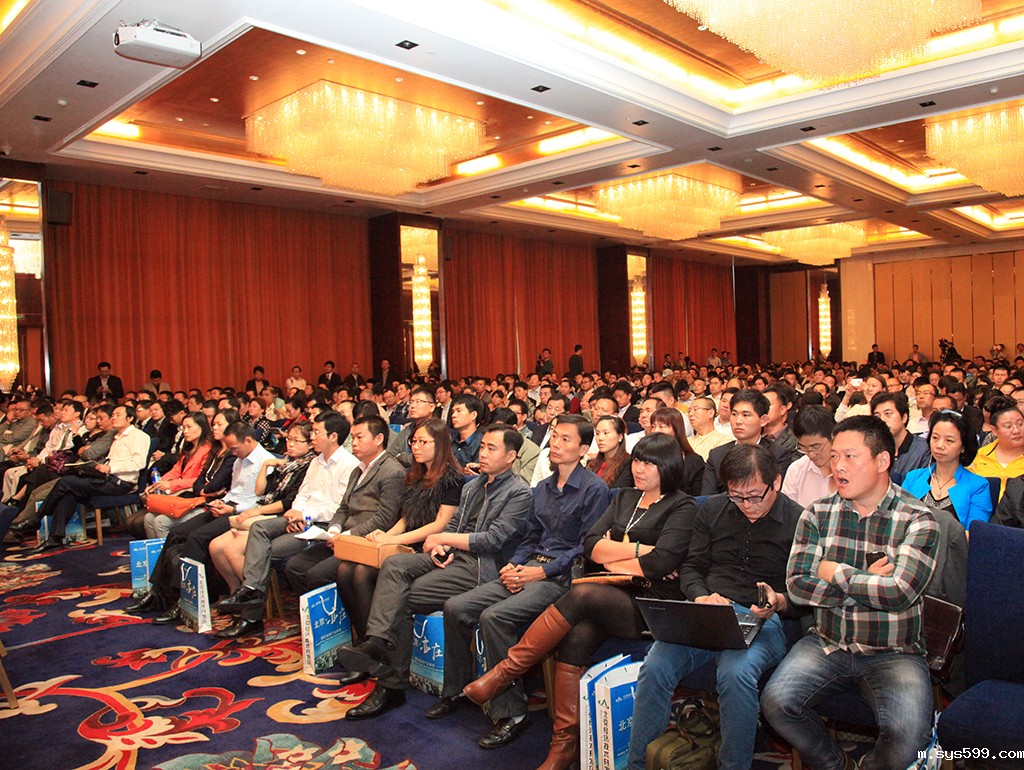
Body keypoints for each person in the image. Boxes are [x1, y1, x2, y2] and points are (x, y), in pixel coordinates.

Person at [463, 433, 697, 770]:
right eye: (637, 461)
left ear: (669, 467)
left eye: (649, 463)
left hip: (652, 602)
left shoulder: (682, 505)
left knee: (581, 593)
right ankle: (564, 745)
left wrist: (613, 555)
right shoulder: (625, 497)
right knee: (575, 637)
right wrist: (636, 553)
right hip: (610, 593)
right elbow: (590, 545)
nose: (639, 468)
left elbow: (662, 563)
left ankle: (506, 671)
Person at [761, 415, 939, 770]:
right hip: (828, 641)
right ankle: (836, 764)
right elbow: (797, 586)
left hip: (894, 650)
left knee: (909, 735)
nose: (837, 466)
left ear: (882, 460)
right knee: (776, 703)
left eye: (850, 457)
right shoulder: (817, 513)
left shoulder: (918, 518)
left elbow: (899, 593)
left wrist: (836, 572)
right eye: (834, 456)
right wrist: (865, 580)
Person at [334, 424, 533, 720]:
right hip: (453, 555)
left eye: (492, 448)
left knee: (401, 598)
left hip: (481, 566)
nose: (483, 453)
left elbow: (493, 539)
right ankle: (376, 642)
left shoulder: (519, 492)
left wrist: (444, 539)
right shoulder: (473, 485)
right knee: (394, 565)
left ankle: (391, 682)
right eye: (482, 447)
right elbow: (454, 524)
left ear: (511, 456)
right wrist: (442, 545)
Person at [434, 415, 607, 749]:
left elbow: (586, 547)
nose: (556, 444)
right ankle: (456, 690)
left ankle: (513, 713)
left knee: (494, 617)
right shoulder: (542, 488)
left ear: (584, 449)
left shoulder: (594, 489)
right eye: (555, 436)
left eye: (566, 439)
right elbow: (530, 536)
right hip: (528, 567)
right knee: (456, 606)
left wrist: (541, 571)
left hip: (562, 577)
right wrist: (514, 564)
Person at [625, 444, 802, 770]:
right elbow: (692, 567)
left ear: (776, 482)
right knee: (655, 667)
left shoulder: (799, 519)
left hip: (763, 620)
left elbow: (805, 592)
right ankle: (637, 765)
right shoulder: (713, 509)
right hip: (708, 611)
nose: (746, 505)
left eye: (754, 497)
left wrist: (779, 601)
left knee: (736, 673)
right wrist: (701, 596)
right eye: (737, 497)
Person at [335, 417, 465, 643]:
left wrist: (395, 540)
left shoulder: (452, 479)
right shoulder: (416, 475)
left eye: (423, 442)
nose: (416, 447)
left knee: (362, 573)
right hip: (406, 542)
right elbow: (407, 517)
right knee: (345, 570)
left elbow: (440, 524)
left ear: (440, 444)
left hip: (429, 547)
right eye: (414, 442)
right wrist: (387, 536)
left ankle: (376, 642)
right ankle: (365, 639)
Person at [207, 420, 316, 638]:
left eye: (297, 441)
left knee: (232, 550)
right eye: (288, 439)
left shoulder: (308, 465)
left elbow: (288, 502)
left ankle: (251, 606)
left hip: (280, 515)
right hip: (267, 513)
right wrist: (266, 466)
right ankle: (237, 596)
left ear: (310, 443)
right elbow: (260, 492)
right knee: (216, 546)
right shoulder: (286, 462)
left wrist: (256, 512)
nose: (290, 444)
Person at [31, 404, 149, 554]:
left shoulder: (139, 436)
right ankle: (55, 538)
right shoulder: (117, 436)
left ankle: (38, 517)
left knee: (67, 482)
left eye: (118, 415)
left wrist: (110, 468)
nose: (113, 417)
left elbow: (139, 463)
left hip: (120, 484)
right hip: (106, 478)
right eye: (113, 414)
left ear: (130, 418)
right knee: (69, 490)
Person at [902, 409, 992, 529]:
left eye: (949, 440)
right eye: (935, 438)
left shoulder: (978, 486)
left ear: (963, 446)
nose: (939, 445)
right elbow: (899, 520)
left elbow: (974, 532)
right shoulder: (913, 477)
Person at [141, 411, 215, 538]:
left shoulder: (208, 449)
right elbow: (176, 470)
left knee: (160, 522)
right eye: (184, 427)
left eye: (189, 427)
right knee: (148, 518)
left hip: (195, 498)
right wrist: (159, 483)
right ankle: (157, 551)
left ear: (201, 427)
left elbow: (199, 480)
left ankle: (168, 551)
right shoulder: (188, 448)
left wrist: (171, 484)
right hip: (181, 496)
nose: (185, 431)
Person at [968, 395, 1024, 499]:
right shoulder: (982, 454)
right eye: (1008, 426)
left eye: (1020, 424)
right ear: (994, 430)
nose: (1016, 430)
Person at [869, 391, 931, 485]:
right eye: (877, 416)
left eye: (888, 413)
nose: (882, 420)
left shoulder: (923, 449)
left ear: (904, 417)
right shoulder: (872, 449)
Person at [782, 405, 837, 508]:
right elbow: (788, 512)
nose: (811, 454)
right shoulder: (796, 470)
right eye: (803, 447)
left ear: (833, 437)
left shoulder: (851, 469)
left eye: (816, 446)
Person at [586, 414, 633, 488]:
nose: (600, 438)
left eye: (606, 433)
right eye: (597, 433)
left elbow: (618, 491)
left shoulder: (628, 464)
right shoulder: (591, 463)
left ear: (620, 436)